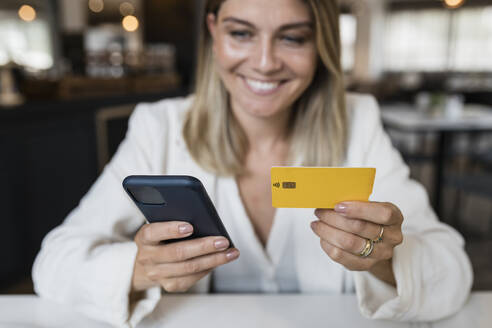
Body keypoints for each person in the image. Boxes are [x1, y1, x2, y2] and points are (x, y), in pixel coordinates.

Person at [32, 0, 473, 327]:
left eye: (293, 37)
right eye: (241, 33)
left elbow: (454, 274)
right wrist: (140, 269)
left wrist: (382, 260)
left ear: (322, 43)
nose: (264, 63)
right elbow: (53, 264)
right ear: (213, 32)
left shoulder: (358, 121)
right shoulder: (160, 126)